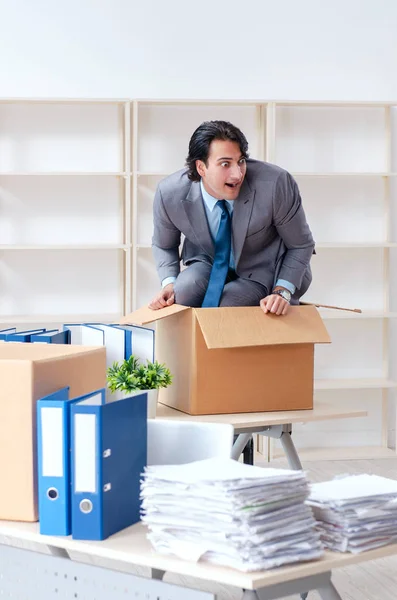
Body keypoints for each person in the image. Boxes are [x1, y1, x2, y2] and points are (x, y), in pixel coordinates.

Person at [149, 120, 314, 316]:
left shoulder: (275, 183)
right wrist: (169, 283)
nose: (237, 174)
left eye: (241, 161)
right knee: (182, 293)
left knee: (228, 305)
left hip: (266, 267)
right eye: (225, 164)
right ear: (201, 168)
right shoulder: (170, 193)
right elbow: (163, 245)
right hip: (209, 262)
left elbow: (301, 245)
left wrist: (282, 291)